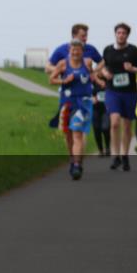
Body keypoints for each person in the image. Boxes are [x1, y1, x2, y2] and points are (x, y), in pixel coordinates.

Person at [98, 23, 137, 171]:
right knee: (115, 122)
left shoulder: (134, 51)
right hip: (113, 92)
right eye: (118, 33)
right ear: (115, 34)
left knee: (126, 125)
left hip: (130, 92)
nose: (121, 35)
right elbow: (101, 67)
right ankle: (115, 156)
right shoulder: (108, 50)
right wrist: (105, 73)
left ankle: (124, 156)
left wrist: (133, 69)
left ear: (127, 35)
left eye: (124, 33)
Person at [49, 40, 93, 179]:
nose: (75, 52)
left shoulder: (87, 63)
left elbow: (92, 77)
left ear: (82, 51)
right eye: (73, 50)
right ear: (69, 50)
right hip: (67, 103)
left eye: (78, 50)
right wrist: (64, 81)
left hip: (83, 103)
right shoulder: (63, 64)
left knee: (77, 133)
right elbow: (51, 79)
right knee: (68, 135)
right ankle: (73, 159)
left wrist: (99, 82)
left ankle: (76, 165)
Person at [92, 72, 111, 156]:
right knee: (96, 129)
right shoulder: (92, 81)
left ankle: (107, 147)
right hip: (95, 108)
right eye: (97, 70)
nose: (99, 72)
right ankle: (100, 150)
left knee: (105, 128)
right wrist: (91, 98)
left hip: (106, 109)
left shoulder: (108, 80)